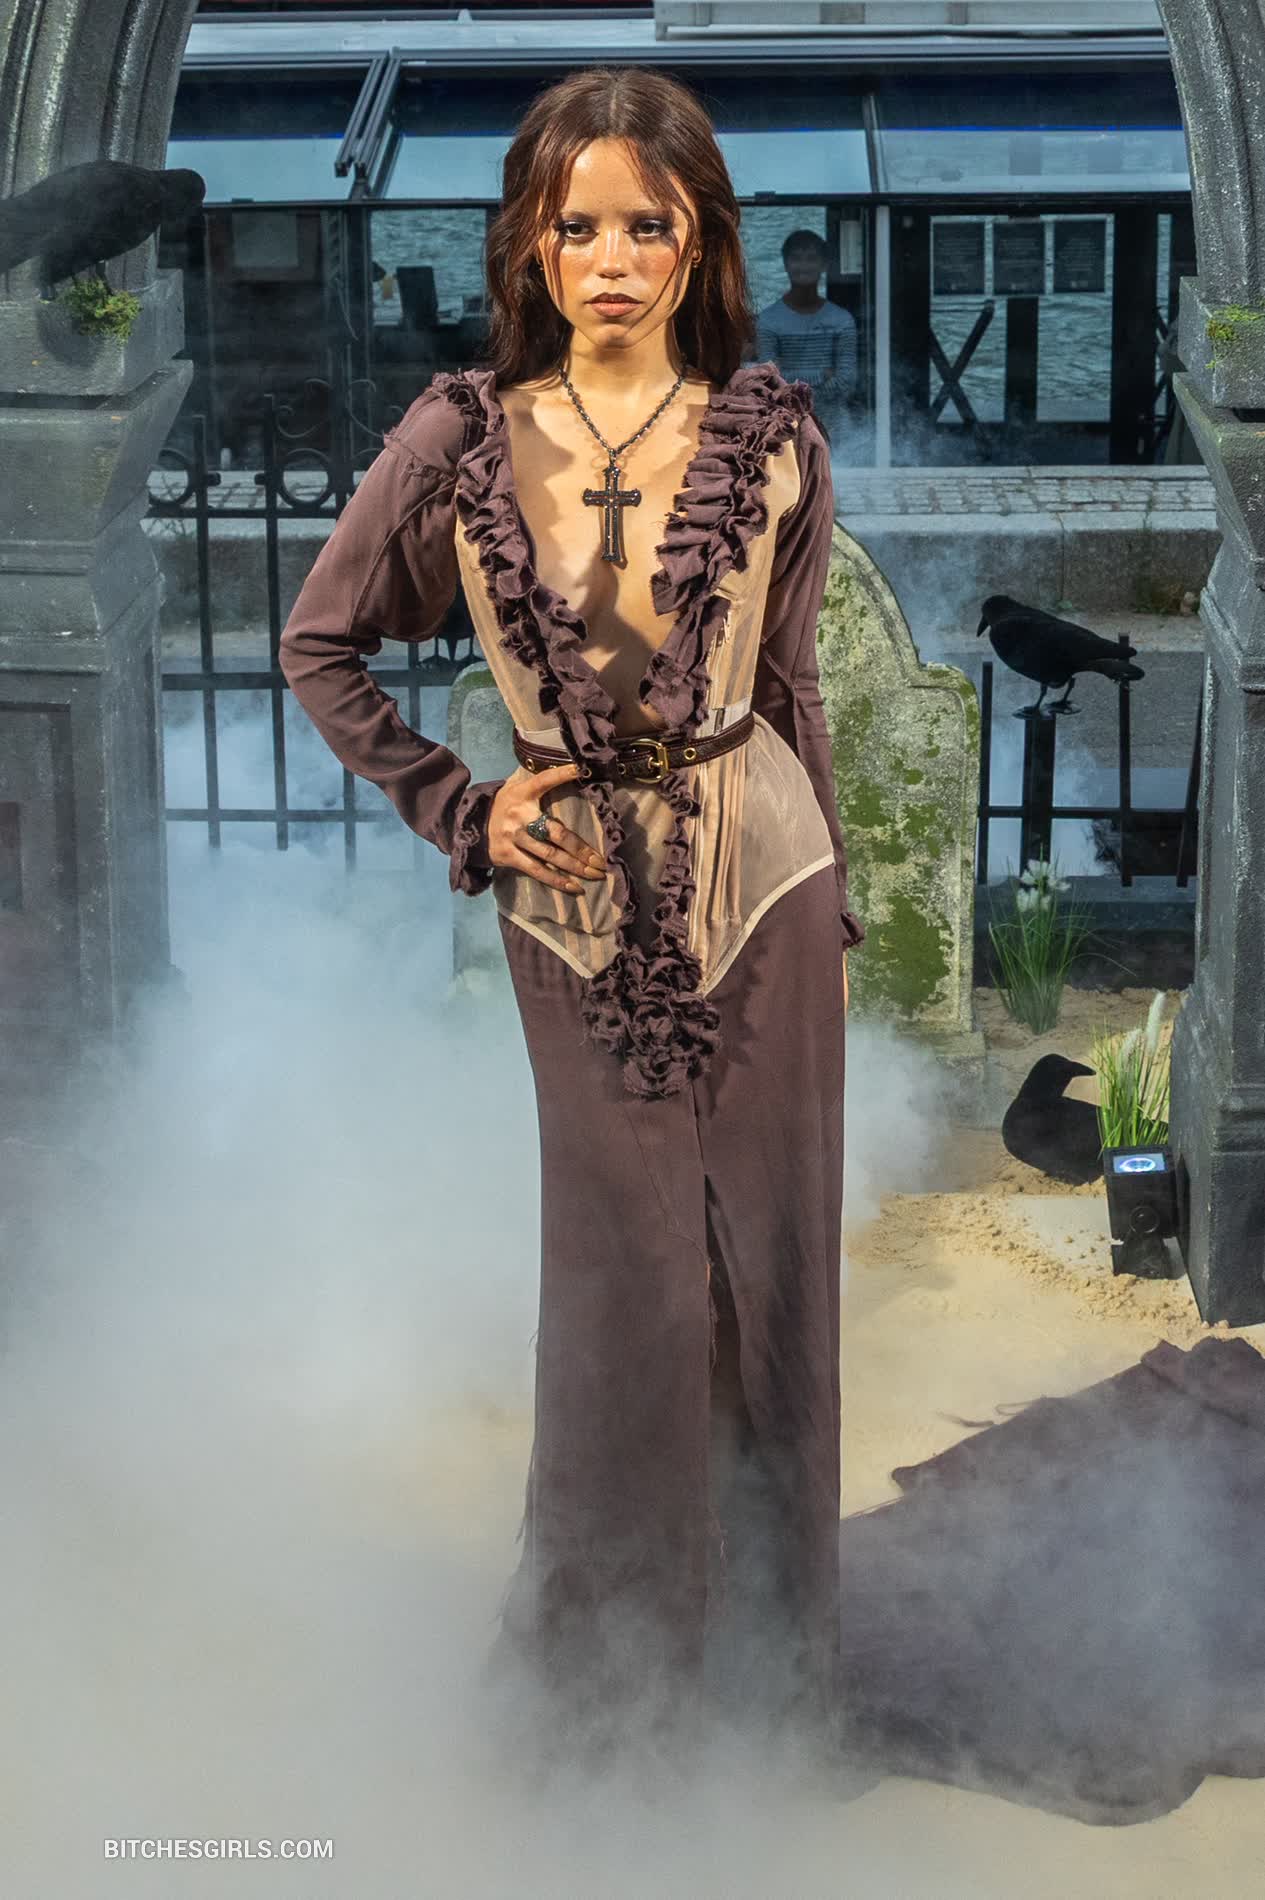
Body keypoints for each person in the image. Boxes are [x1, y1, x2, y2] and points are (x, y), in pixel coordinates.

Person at [278, 66, 864, 1766]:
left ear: (701, 243)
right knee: (630, 1297)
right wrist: (464, 808)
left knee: (773, 1288)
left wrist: (833, 905)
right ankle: (609, 1697)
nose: (612, 261)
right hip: (578, 909)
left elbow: (792, 686)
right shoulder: (457, 439)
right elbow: (320, 645)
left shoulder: (773, 438)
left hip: (766, 890)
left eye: (647, 227)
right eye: (578, 226)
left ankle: (769, 1689)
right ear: (532, 244)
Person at [756, 228, 858, 445]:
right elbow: (770, 382)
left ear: (824, 264)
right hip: (786, 426)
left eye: (811, 259)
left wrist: (791, 381)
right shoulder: (768, 320)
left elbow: (846, 382)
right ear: (786, 264)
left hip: (836, 429)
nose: (804, 266)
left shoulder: (841, 320)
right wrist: (823, 375)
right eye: (797, 259)